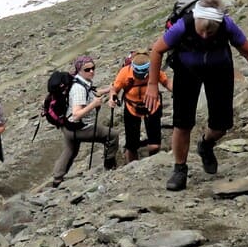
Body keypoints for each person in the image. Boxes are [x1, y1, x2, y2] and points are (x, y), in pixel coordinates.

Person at [145, 0, 248, 191]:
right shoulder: (183, 25)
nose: (204, 35)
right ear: (196, 20)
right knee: (182, 123)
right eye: (201, 30)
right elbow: (157, 50)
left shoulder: (227, 25)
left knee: (221, 125)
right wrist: (152, 84)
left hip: (219, 70)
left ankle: (205, 144)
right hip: (187, 70)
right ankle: (179, 169)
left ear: (219, 25)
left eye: (210, 31)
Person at [50, 56, 116, 185]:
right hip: (80, 127)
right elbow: (76, 115)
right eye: (87, 69)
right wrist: (94, 104)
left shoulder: (80, 82)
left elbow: (92, 91)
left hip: (68, 126)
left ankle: (57, 178)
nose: (91, 71)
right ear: (79, 70)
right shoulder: (79, 89)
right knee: (112, 135)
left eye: (93, 68)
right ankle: (109, 167)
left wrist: (107, 90)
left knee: (70, 150)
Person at [110, 49, 170, 163]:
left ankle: (153, 161)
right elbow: (115, 88)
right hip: (132, 108)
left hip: (152, 106)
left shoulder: (155, 71)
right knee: (132, 146)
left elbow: (166, 82)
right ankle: (131, 165)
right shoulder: (124, 73)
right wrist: (112, 97)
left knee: (155, 145)